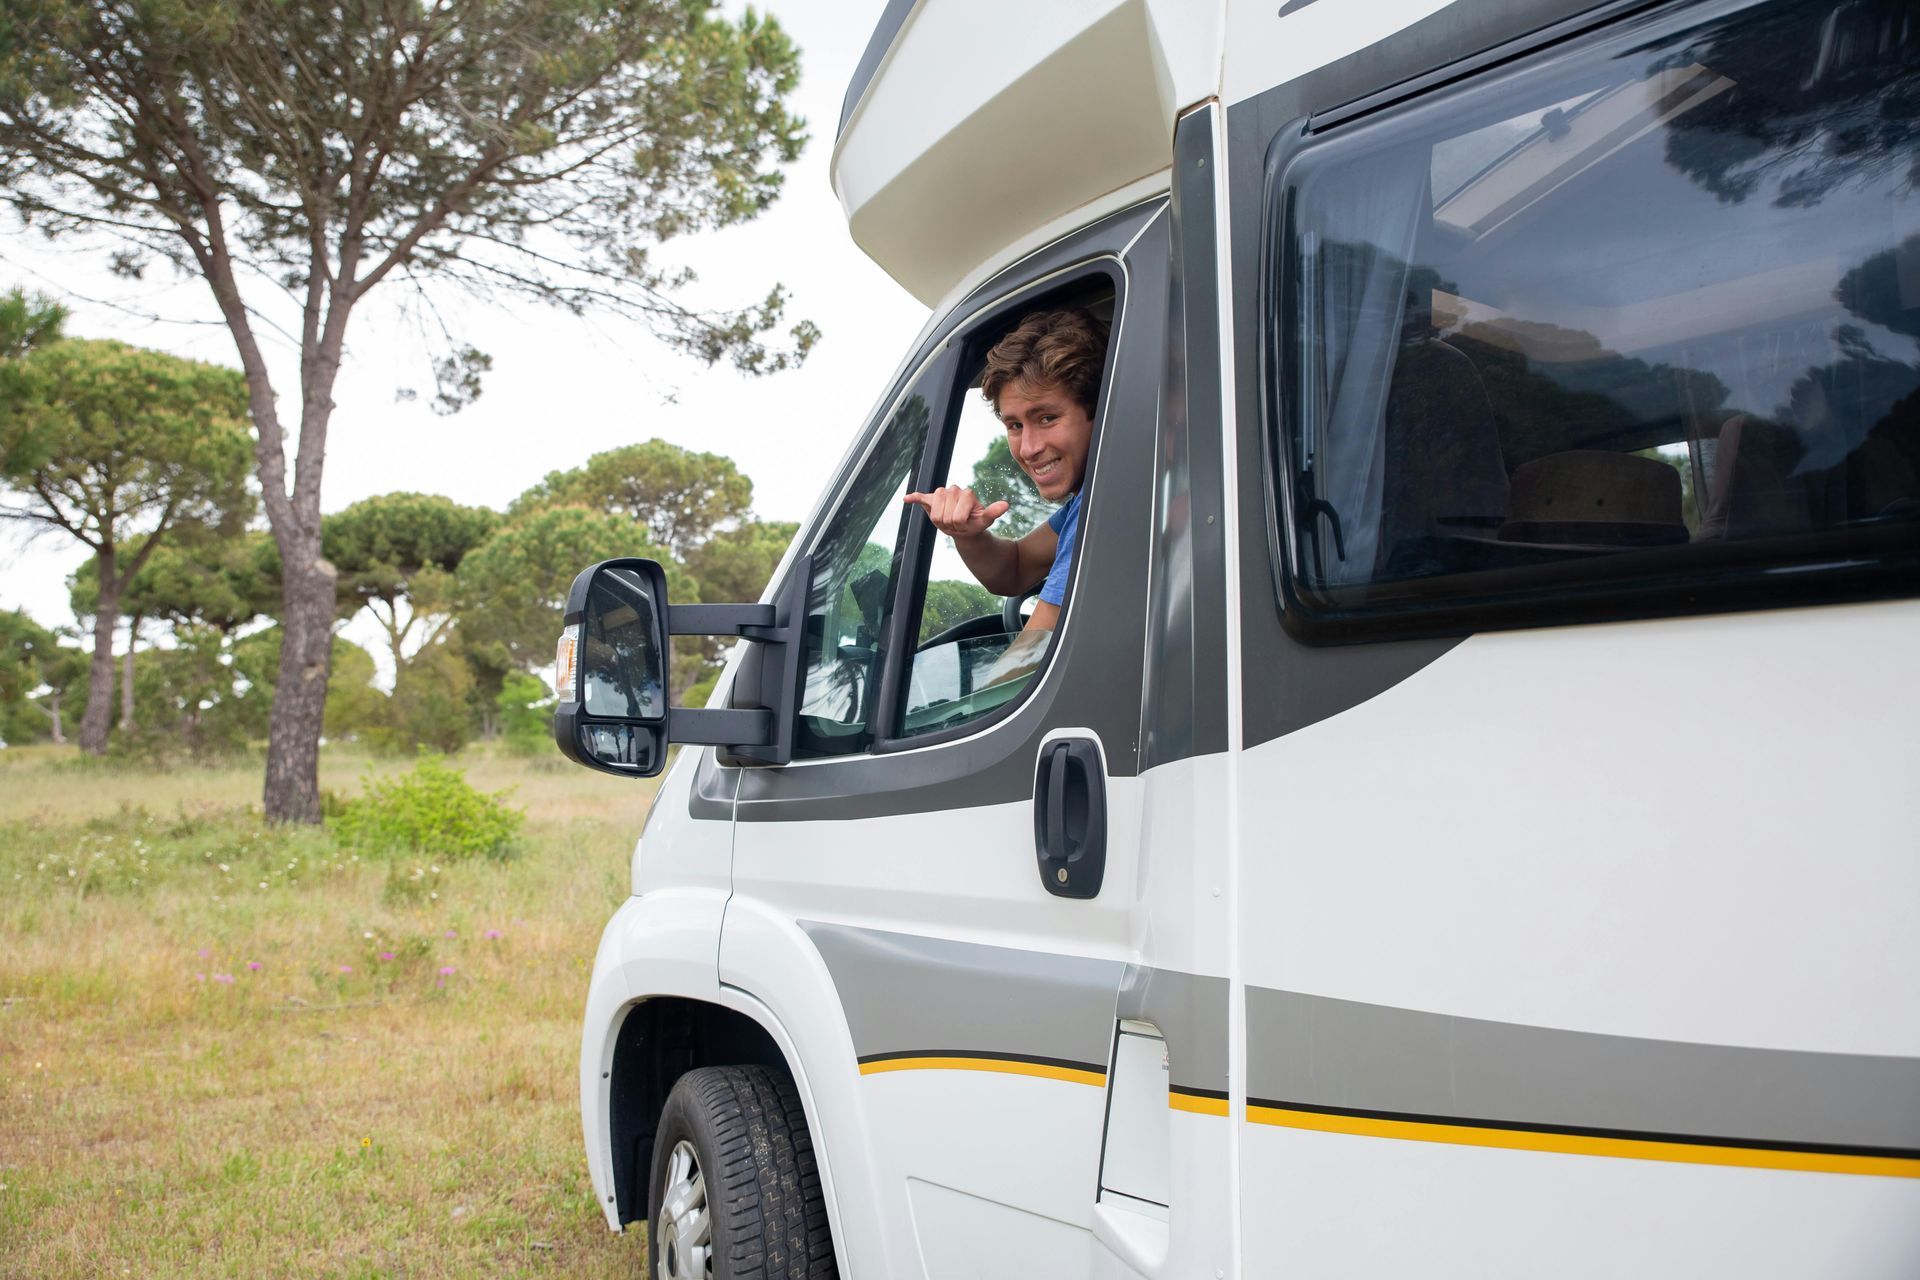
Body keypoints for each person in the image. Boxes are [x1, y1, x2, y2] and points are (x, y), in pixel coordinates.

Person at [902, 307, 1108, 677]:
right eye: (1014, 425)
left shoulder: (1106, 506)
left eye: (1047, 418)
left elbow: (1025, 667)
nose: (1028, 448)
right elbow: (1013, 569)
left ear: (1100, 408)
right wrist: (968, 535)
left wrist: (964, 709)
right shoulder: (1087, 500)